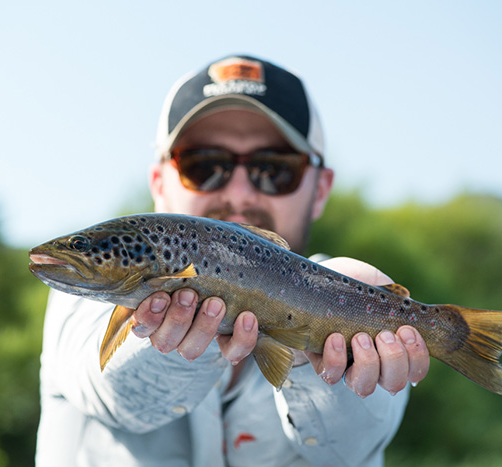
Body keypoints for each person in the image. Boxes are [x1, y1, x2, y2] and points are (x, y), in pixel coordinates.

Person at [35, 55, 430, 466]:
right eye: (204, 165)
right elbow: (117, 396)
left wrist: (311, 350)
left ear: (321, 189)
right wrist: (198, 317)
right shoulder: (80, 297)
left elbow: (355, 445)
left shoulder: (353, 291)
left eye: (274, 169)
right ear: (159, 183)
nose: (239, 193)